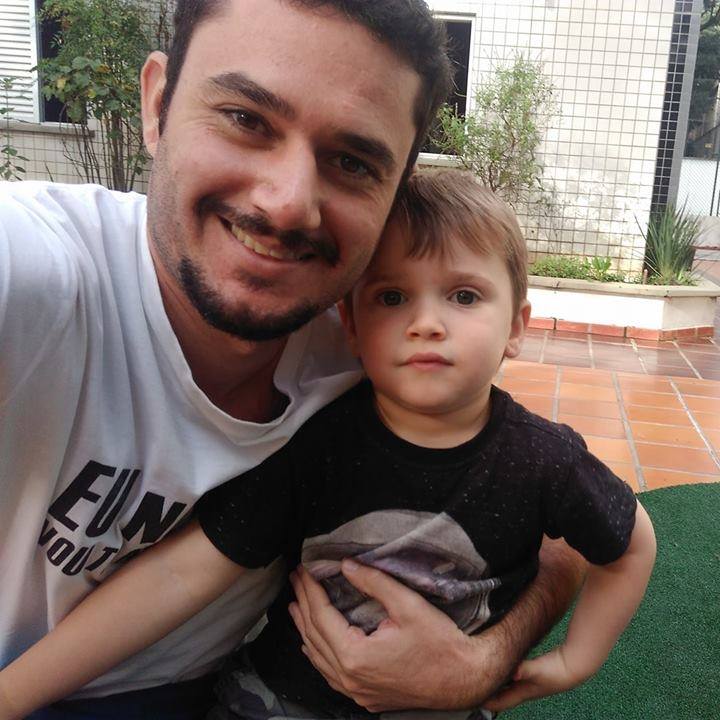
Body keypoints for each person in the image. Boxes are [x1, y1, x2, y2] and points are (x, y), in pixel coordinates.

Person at [0, 0, 585, 717]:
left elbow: (556, 518)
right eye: (245, 119)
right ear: (157, 105)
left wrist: (481, 663)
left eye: (352, 162)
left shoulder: (381, 345)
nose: (287, 204)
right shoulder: (38, 275)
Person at [0, 170, 656, 720]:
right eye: (392, 296)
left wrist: (575, 661)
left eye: (463, 295)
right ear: (351, 325)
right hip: (279, 700)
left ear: (516, 326)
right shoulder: (319, 439)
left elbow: (630, 542)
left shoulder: (544, 459)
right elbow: (187, 569)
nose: (427, 323)